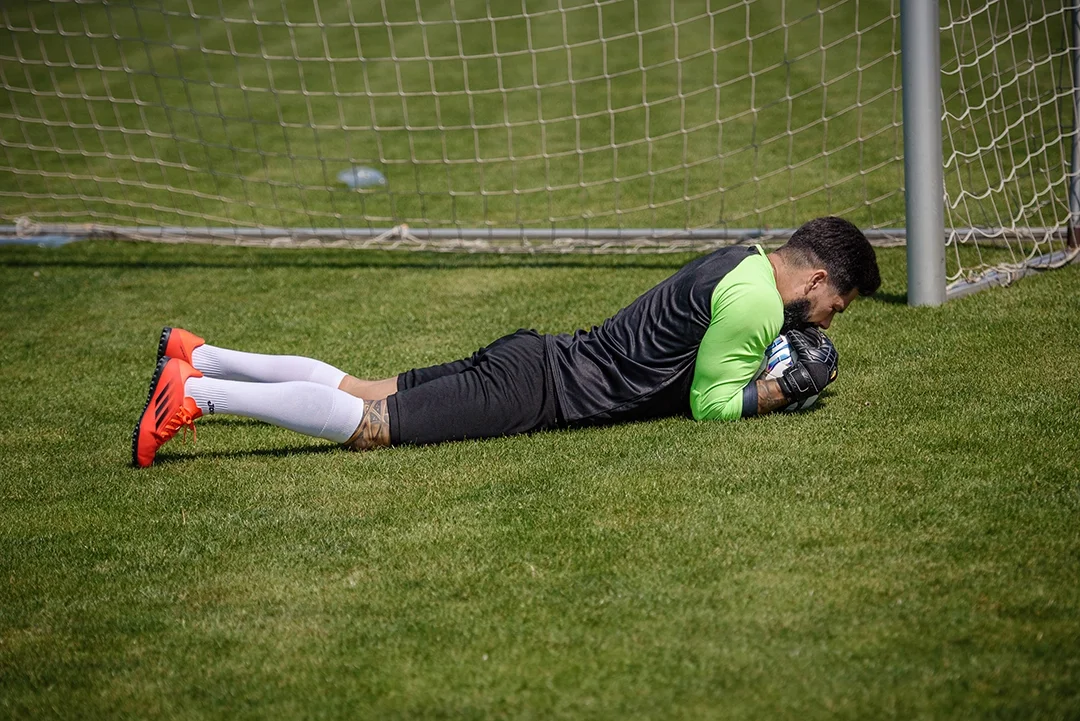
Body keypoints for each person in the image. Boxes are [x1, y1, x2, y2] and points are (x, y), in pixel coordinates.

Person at [132, 216, 880, 468]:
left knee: (362, 387)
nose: (827, 321)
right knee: (370, 427)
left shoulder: (746, 262)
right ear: (816, 279)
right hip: (536, 390)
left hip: (535, 355)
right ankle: (195, 392)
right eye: (835, 307)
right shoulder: (755, 305)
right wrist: (785, 388)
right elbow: (712, 406)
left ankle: (197, 353)